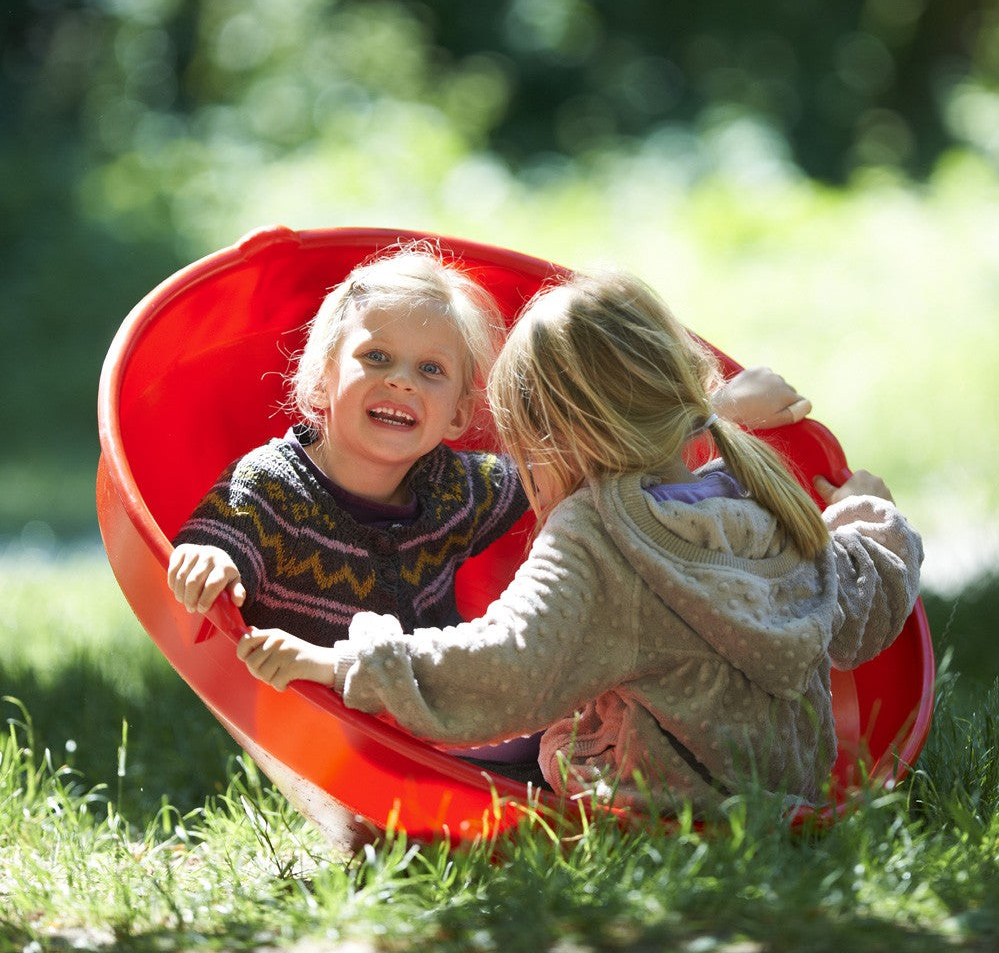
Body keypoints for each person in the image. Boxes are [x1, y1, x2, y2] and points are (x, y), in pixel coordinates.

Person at [235, 268, 923, 811]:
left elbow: (509, 663)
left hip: (652, 806)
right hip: (787, 799)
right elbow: (860, 599)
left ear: (550, 437)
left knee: (501, 748)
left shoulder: (599, 535)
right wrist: (866, 511)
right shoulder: (754, 497)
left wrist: (339, 665)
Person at [168, 244, 811, 651]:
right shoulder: (272, 486)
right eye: (377, 357)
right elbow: (222, 534)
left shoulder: (455, 487)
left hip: (433, 711)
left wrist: (716, 410)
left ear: (457, 416)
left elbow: (587, 460)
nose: (399, 380)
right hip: (318, 715)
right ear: (319, 379)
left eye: (431, 371)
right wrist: (210, 559)